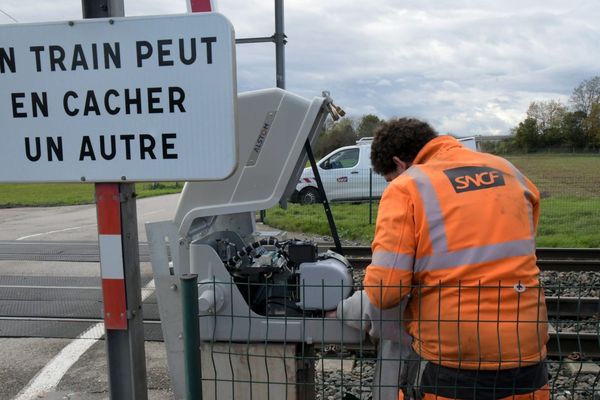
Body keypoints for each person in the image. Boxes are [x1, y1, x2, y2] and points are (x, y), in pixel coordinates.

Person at [341, 118, 550, 399]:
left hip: (455, 359)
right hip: (528, 353)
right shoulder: (508, 170)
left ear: (399, 164)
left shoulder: (407, 187)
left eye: (390, 177)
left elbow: (386, 292)